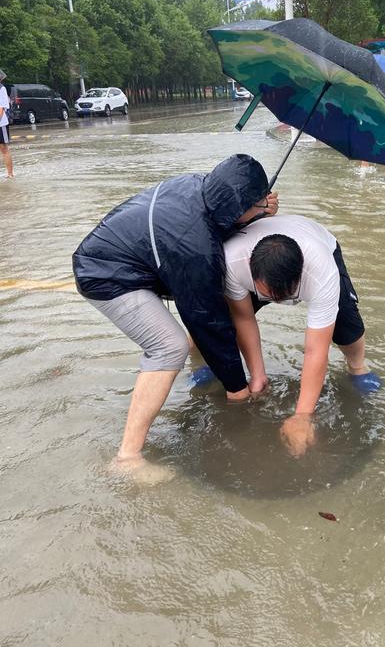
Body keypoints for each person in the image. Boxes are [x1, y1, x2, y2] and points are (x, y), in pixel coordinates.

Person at [72, 154, 278, 476]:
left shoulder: (207, 189)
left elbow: (222, 227)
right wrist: (238, 389)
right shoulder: (195, 246)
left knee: (206, 309)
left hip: (124, 257)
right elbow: (207, 320)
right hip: (106, 275)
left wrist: (258, 211)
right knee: (169, 345)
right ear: (238, 206)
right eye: (259, 203)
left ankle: (201, 372)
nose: (265, 206)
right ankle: (127, 459)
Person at [223, 214, 379, 457]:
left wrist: (302, 416)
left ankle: (358, 367)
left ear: (300, 277)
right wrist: (257, 374)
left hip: (320, 244)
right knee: (219, 321)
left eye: (282, 296)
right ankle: (202, 363)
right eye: (268, 295)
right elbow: (244, 318)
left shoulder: (321, 272)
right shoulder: (233, 262)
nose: (276, 302)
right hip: (259, 262)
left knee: (347, 326)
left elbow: (316, 349)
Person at [0, 69, 15, 179]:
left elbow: (1, 108)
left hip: (1, 124)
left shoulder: (1, 89)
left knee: (3, 148)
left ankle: (10, 174)